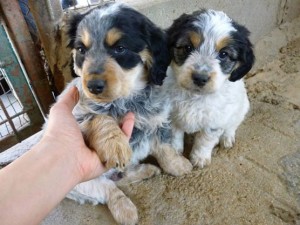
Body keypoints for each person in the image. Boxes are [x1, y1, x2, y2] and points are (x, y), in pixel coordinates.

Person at [0, 86, 135, 225]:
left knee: (124, 153)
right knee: (76, 183)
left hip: (88, 160)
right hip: (81, 165)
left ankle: (127, 174)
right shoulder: (81, 100)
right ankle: (111, 194)